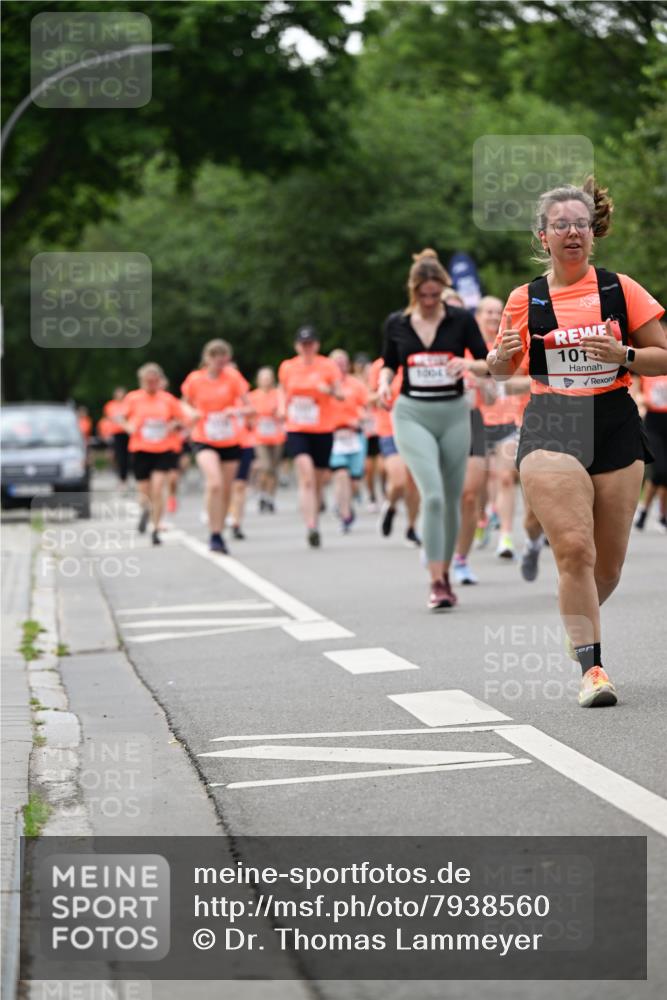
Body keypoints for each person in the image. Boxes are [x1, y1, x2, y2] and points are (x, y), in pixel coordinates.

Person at [487, 177, 667, 707]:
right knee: (574, 547)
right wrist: (500, 359)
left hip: (613, 418)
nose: (572, 233)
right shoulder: (525, 299)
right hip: (552, 420)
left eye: (581, 225)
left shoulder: (620, 289)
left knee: (607, 566)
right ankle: (593, 669)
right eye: (561, 225)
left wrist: (625, 356)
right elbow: (502, 366)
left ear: (594, 233)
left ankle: (577, 625)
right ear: (543, 236)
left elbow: (664, 354)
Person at [379, 249, 489, 609]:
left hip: (455, 413)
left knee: (454, 497)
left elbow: (487, 362)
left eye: (434, 294)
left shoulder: (460, 320)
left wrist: (466, 363)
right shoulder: (397, 322)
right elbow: (389, 364)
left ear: (443, 289)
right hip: (413, 415)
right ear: (413, 292)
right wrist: (383, 384)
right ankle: (437, 579)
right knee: (434, 495)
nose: (428, 302)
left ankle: (448, 567)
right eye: (422, 295)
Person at [181, 339, 250, 554]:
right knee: (215, 484)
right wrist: (190, 412)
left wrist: (236, 411)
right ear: (208, 359)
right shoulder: (195, 380)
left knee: (227, 489)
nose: (221, 366)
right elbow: (183, 402)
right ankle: (214, 533)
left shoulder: (233, 378)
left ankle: (219, 531)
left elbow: (249, 407)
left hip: (230, 439)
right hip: (204, 437)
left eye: (224, 362)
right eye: (217, 361)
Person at [278, 326, 342, 548]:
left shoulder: (328, 366)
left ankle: (316, 504)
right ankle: (312, 525)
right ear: (297, 346)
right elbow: (283, 391)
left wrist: (329, 391)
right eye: (303, 344)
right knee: (306, 476)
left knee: (319, 478)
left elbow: (341, 393)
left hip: (323, 428)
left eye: (311, 343)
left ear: (317, 345)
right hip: (297, 427)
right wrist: (280, 408)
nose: (307, 348)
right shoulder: (288, 367)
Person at [121, 363, 186, 545]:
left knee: (158, 489)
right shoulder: (133, 398)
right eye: (148, 381)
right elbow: (122, 418)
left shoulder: (167, 399)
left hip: (162, 449)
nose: (151, 384)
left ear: (159, 381)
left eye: (154, 381)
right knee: (144, 493)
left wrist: (173, 425)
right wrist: (129, 427)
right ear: (141, 381)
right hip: (141, 449)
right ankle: (145, 510)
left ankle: (156, 529)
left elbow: (181, 419)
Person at [368, 356, 421, 546]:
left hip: (417, 428)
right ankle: (390, 507)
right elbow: (369, 398)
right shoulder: (380, 366)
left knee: (414, 482)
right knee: (398, 481)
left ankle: (412, 528)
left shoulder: (419, 359)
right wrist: (383, 394)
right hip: (389, 429)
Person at [328, 349, 369, 532]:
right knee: (340, 474)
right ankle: (345, 514)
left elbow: (367, 405)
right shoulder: (325, 385)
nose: (340, 365)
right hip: (334, 436)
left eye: (343, 361)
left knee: (353, 480)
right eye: (336, 361)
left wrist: (361, 417)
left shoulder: (356, 384)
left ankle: (345, 503)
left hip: (354, 435)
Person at [634, 360, 667, 531]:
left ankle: (659, 514)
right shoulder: (648, 367)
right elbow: (635, 391)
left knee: (664, 474)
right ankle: (646, 511)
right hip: (653, 423)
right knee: (660, 470)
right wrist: (640, 402)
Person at [248, 367, 285, 513]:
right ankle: (262, 493)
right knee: (265, 467)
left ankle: (270, 497)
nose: (266, 381)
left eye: (268, 378)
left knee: (274, 470)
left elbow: (284, 411)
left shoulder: (278, 395)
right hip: (260, 437)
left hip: (277, 437)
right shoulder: (253, 396)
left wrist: (279, 413)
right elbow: (248, 416)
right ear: (258, 380)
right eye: (263, 378)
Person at [103, 387, 129, 487]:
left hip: (126, 432)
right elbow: (110, 418)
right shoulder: (110, 405)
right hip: (116, 433)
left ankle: (125, 477)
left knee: (126, 456)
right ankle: (121, 477)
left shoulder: (127, 404)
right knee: (118, 456)